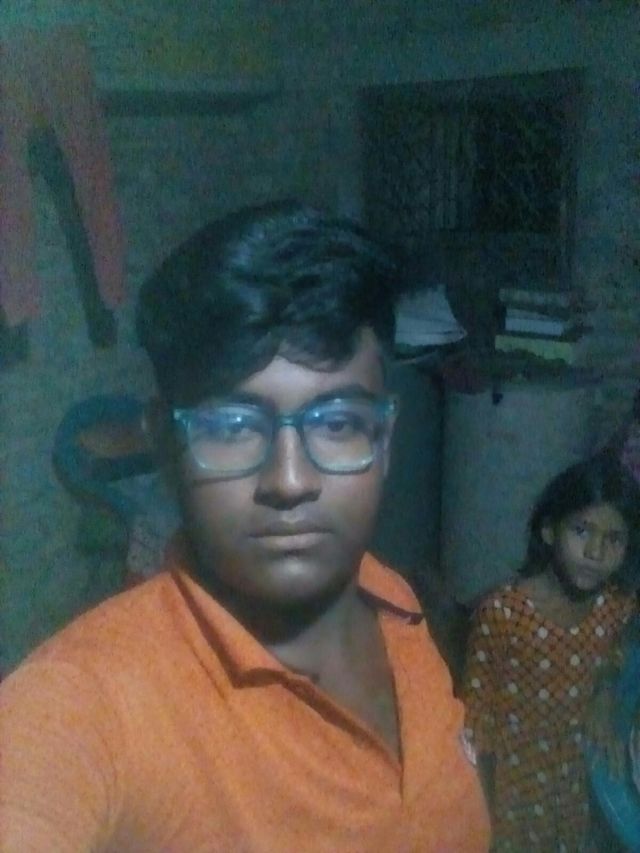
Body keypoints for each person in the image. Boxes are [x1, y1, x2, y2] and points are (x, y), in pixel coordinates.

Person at [0, 203, 490, 851]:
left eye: (337, 423)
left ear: (384, 438)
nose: (289, 480)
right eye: (232, 428)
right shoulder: (84, 700)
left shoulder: (393, 599)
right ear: (166, 446)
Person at [460, 453, 640, 852]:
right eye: (581, 530)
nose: (595, 551)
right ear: (548, 531)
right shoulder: (503, 615)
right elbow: (475, 717)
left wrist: (605, 697)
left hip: (574, 780)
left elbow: (617, 654)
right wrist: (477, 805)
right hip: (513, 786)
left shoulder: (616, 606)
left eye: (613, 539)